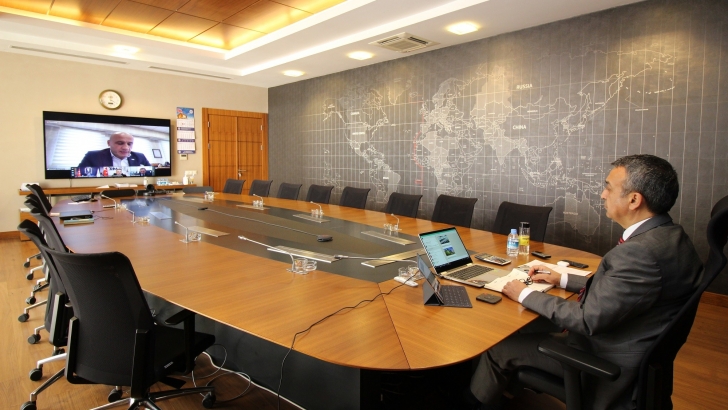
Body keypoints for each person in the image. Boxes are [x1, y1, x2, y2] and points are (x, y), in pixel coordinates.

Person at [464, 154, 703, 410]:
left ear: (634, 200)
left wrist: (523, 293)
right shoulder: (671, 237)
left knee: (499, 347)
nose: (602, 194)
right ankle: (508, 389)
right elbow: (622, 290)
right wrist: (562, 278)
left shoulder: (639, 253)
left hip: (604, 363)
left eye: (609, 187)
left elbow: (588, 319)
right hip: (631, 344)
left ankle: (471, 403)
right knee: (522, 326)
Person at [77, 132, 151, 169]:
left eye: (129, 144)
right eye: (120, 143)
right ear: (109, 143)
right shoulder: (93, 156)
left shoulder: (140, 156)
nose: (126, 148)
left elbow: (152, 175)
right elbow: (78, 175)